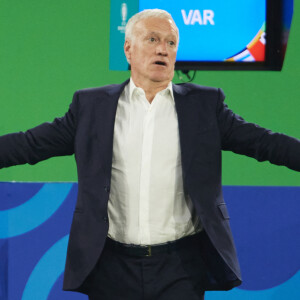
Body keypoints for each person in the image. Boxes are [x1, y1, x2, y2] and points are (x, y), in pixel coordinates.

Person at [0, 8, 299, 300]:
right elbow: (30, 144)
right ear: (128, 49)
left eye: (171, 43)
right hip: (109, 265)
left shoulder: (204, 106)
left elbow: (265, 143)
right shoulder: (91, 106)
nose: (163, 50)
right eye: (153, 40)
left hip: (180, 266)